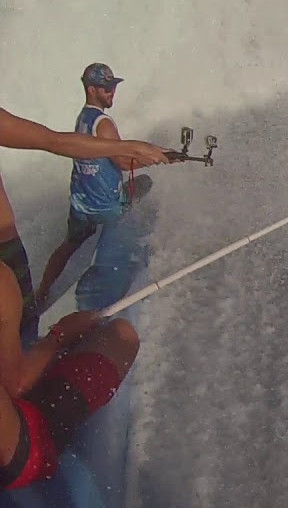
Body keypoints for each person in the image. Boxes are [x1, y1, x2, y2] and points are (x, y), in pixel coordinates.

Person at [0, 104, 168, 491]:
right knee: (120, 336)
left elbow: (54, 140)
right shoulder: (3, 284)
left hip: (10, 277)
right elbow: (15, 385)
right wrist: (59, 335)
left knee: (18, 328)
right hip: (24, 451)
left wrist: (129, 148)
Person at [0, 103, 169, 349]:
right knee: (19, 343)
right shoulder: (98, 120)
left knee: (21, 333)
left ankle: (38, 314)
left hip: (13, 247)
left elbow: (56, 141)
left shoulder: (88, 118)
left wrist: (130, 148)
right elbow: (56, 142)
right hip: (7, 252)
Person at [34, 64, 157, 316]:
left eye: (113, 86)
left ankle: (41, 293)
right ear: (92, 89)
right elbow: (123, 161)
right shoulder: (104, 124)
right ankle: (131, 256)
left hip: (81, 204)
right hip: (107, 207)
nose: (112, 92)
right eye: (107, 88)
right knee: (143, 185)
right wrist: (155, 157)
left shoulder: (83, 119)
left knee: (69, 244)